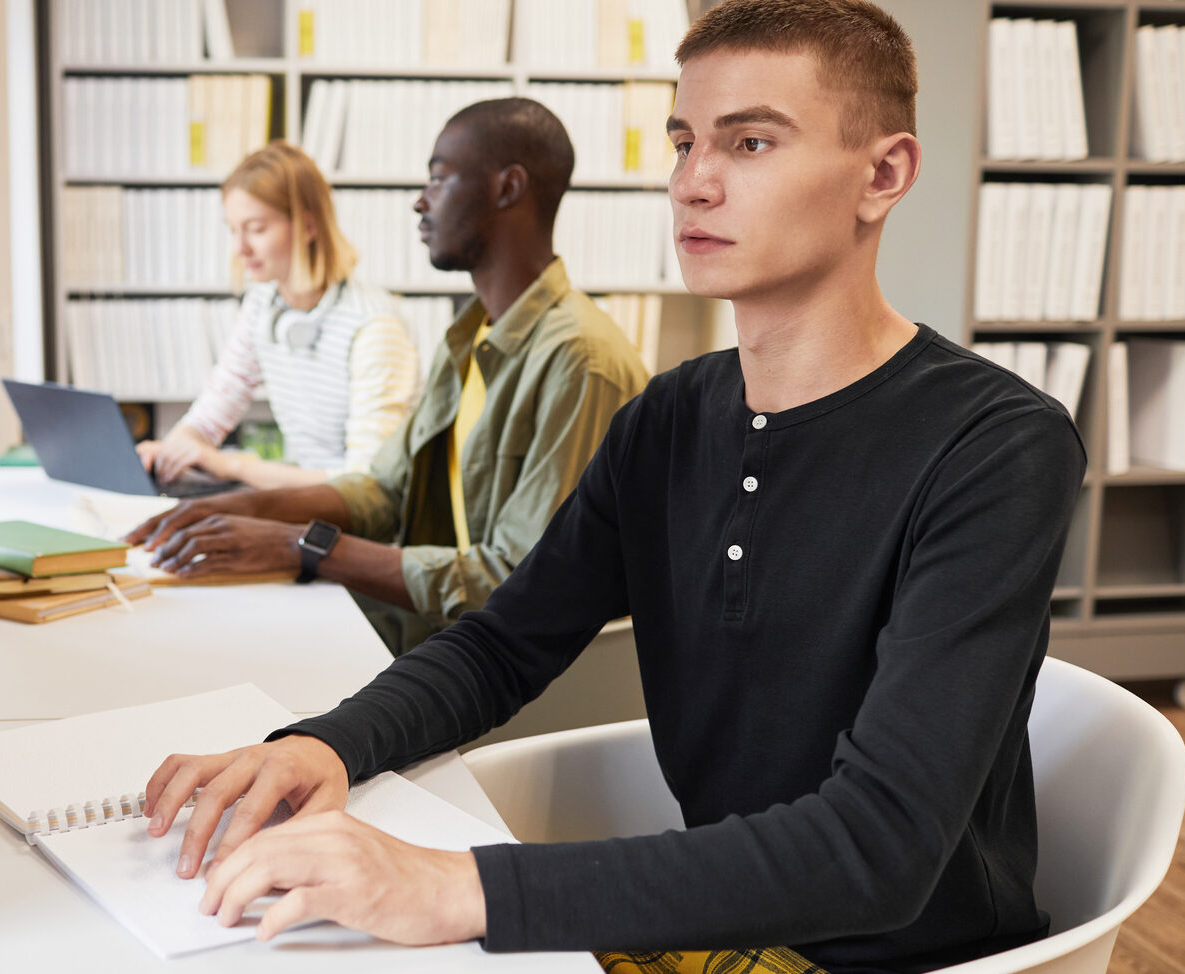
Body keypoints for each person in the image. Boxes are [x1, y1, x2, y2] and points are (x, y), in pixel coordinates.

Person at [138, 1, 1088, 972]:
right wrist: (322, 747)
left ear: (882, 175)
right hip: (711, 924)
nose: (693, 185)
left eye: (750, 142)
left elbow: (878, 846)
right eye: (684, 142)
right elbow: (504, 642)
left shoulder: (996, 446)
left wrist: (450, 885)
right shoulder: (668, 419)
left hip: (890, 955)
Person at [128, 99, 650, 653]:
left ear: (507, 188)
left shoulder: (581, 360)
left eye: (440, 179)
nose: (420, 202)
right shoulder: (472, 337)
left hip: (510, 666)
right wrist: (235, 509)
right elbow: (383, 490)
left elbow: (515, 580)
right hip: (448, 634)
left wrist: (298, 546)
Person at [136, 141, 420, 491]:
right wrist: (173, 450)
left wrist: (229, 464)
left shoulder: (374, 326)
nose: (240, 249)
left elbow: (366, 483)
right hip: (314, 502)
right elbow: (216, 406)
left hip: (363, 516)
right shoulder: (263, 304)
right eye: (233, 230)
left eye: (255, 229)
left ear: (308, 227)